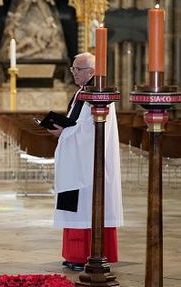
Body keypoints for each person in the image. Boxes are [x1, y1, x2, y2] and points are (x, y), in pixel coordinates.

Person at [48, 52, 123, 271]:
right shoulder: (82, 92)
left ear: (91, 71)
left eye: (77, 69)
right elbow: (77, 123)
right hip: (75, 161)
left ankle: (88, 255)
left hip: (87, 165)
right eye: (73, 69)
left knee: (85, 207)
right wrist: (63, 129)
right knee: (73, 206)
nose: (74, 73)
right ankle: (74, 255)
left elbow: (92, 131)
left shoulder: (98, 94)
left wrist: (64, 132)